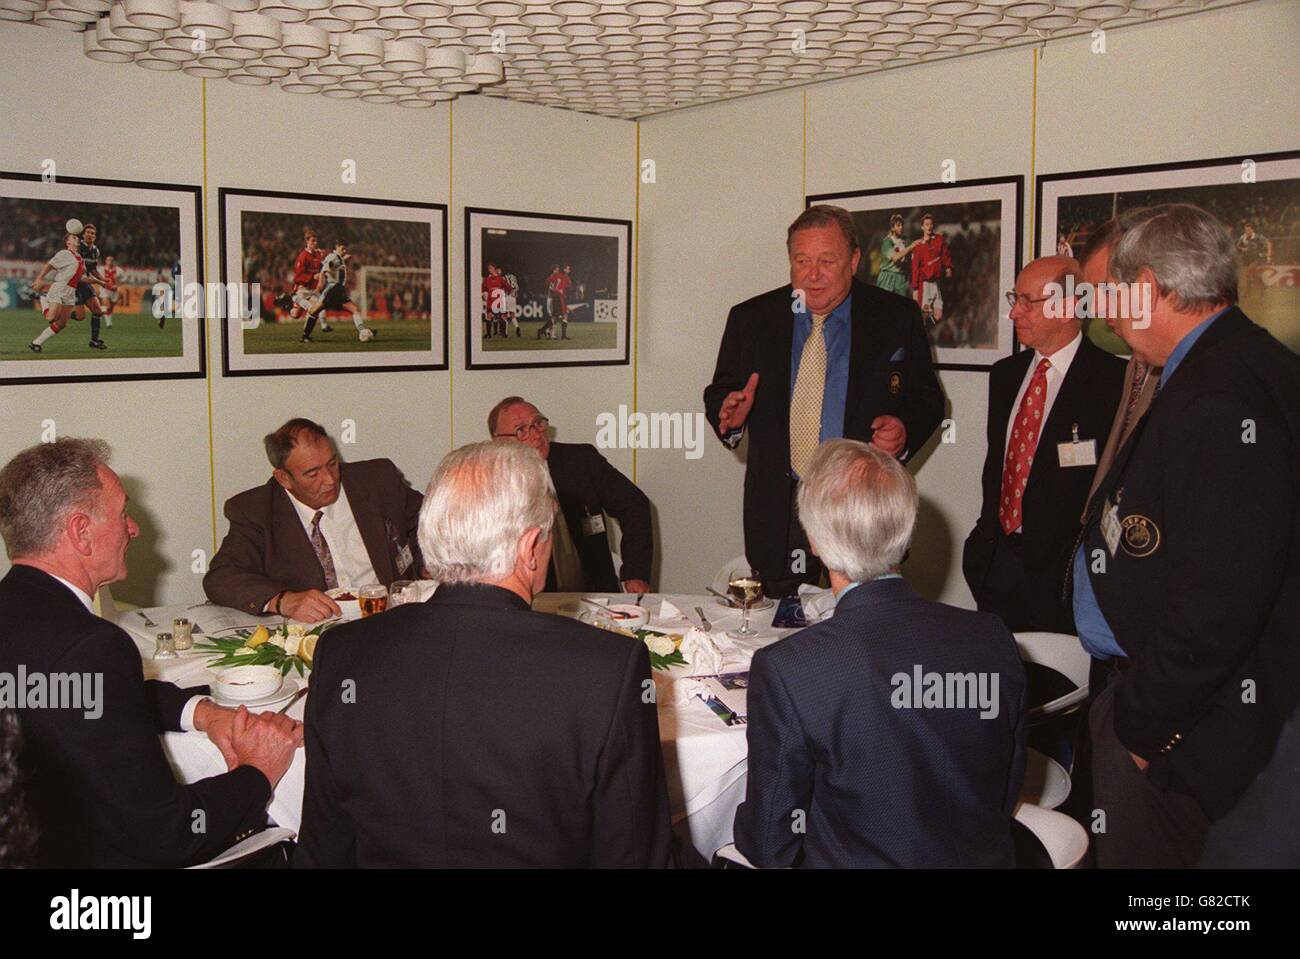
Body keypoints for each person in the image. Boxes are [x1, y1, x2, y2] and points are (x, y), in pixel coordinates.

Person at [295, 441, 673, 867]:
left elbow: (323, 847)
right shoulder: (609, 669)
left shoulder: (342, 652)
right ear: (530, 549)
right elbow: (634, 855)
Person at [1073, 203, 1300, 866]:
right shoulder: (1236, 360)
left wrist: (1143, 727)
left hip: (1186, 729)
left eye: (1113, 291)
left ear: (1149, 289)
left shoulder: (1219, 392)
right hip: (1191, 711)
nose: (1107, 312)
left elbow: (1220, 600)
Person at [0, 438, 301, 867]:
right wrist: (257, 773)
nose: (134, 529)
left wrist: (201, 712)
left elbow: (64, 697)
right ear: (81, 532)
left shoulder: (19, 615)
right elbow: (168, 834)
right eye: (123, 513)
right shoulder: (92, 646)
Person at [733, 439, 1027, 868]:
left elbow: (768, 845)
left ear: (814, 540)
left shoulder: (791, 669)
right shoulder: (993, 637)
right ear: (905, 534)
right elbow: (1003, 793)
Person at [704, 204, 945, 596]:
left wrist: (904, 431)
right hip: (778, 513)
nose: (812, 275)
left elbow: (929, 400)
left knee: (863, 629)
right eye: (801, 261)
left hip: (860, 508)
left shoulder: (895, 317)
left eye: (826, 261)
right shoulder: (751, 319)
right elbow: (721, 392)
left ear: (852, 261)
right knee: (781, 636)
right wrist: (727, 414)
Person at [963, 255, 1125, 632]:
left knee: (1059, 688)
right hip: (995, 568)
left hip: (1065, 582)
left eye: (1026, 301)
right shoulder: (1005, 376)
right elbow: (997, 470)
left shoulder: (1112, 382)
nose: (1013, 313)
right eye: (1013, 299)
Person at [203, 418, 424, 621]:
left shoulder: (376, 480)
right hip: (317, 632)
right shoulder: (255, 511)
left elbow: (431, 521)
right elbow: (222, 577)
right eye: (313, 473)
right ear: (283, 478)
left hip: (389, 619)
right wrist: (284, 601)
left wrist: (431, 563)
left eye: (332, 463)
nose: (329, 480)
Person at [489, 397, 652, 594]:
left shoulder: (581, 460)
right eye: (521, 430)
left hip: (595, 594)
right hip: (526, 598)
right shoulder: (489, 480)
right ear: (499, 441)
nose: (536, 435)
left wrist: (635, 573)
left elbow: (634, 505)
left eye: (538, 424)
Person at [302, 241, 372, 342]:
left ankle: (363, 331)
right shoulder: (333, 257)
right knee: (314, 311)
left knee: (355, 309)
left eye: (345, 248)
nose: (345, 250)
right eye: (343, 248)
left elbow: (333, 266)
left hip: (339, 290)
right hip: (332, 289)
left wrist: (344, 258)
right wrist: (320, 284)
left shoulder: (338, 258)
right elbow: (324, 270)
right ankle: (305, 335)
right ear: (337, 247)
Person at [27, 232, 84, 353]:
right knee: (51, 317)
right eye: (73, 237)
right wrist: (39, 278)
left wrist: (99, 282)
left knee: (62, 323)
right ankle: (42, 297)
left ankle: (36, 343)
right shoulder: (64, 253)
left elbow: (80, 278)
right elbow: (50, 265)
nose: (76, 239)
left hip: (71, 292)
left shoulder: (80, 258)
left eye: (77, 237)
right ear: (67, 242)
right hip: (60, 288)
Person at [74, 222, 111, 351]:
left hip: (86, 282)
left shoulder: (95, 251)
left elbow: (93, 269)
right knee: (80, 317)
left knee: (98, 311)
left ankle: (94, 341)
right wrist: (99, 282)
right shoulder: (77, 247)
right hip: (74, 284)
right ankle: (60, 315)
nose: (90, 235)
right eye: (88, 232)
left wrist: (102, 278)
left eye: (93, 233)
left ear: (95, 236)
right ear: (83, 234)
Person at [911, 212, 953, 326]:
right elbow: (915, 268)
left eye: (931, 224)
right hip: (924, 285)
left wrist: (948, 267)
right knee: (924, 314)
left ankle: (931, 334)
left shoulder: (939, 239)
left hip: (936, 282)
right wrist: (915, 288)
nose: (929, 226)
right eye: (926, 224)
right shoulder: (918, 246)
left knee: (938, 315)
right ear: (922, 227)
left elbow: (945, 254)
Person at [875, 213, 917, 298]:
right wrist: (911, 247)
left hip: (900, 276)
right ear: (892, 227)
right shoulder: (887, 241)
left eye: (902, 225)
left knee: (900, 306)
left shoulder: (906, 240)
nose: (901, 227)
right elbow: (895, 258)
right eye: (898, 225)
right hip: (887, 276)